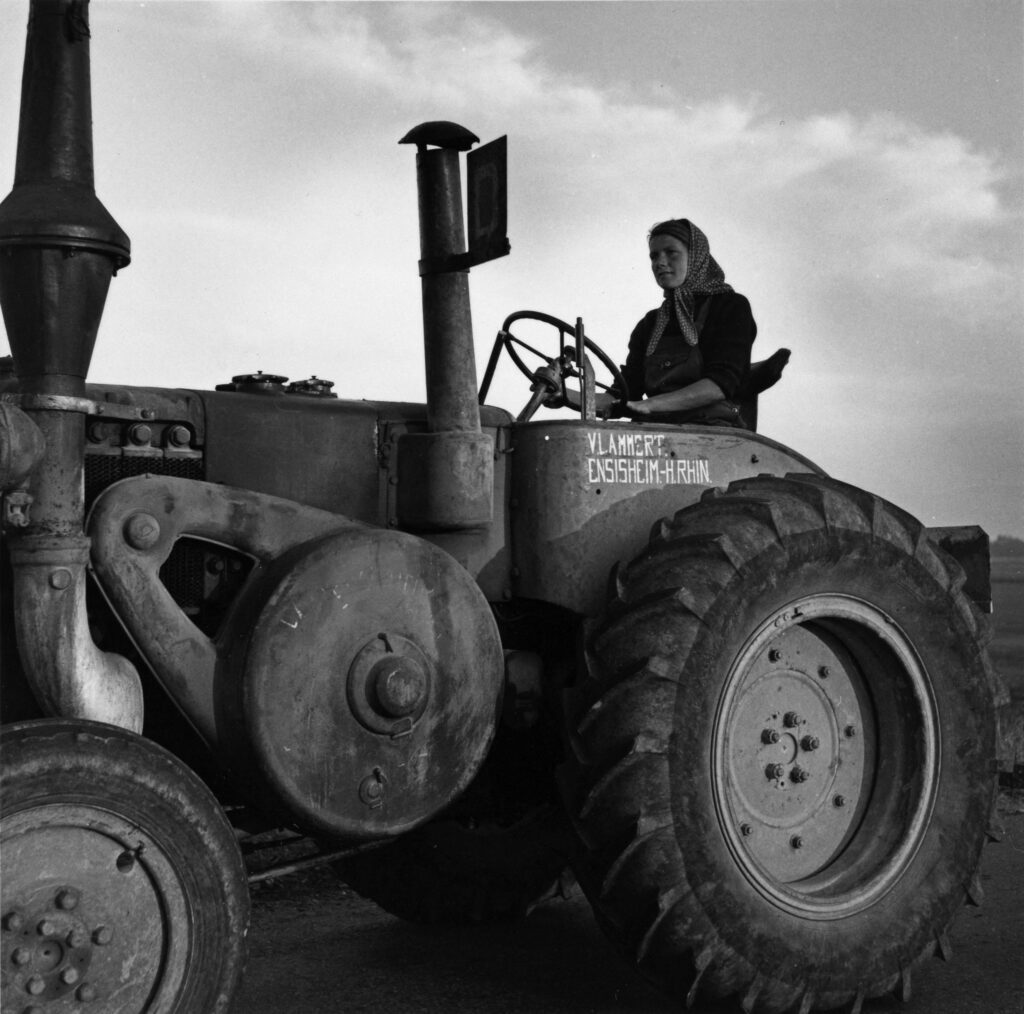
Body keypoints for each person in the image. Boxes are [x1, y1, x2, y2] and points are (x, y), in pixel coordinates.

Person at [612, 218, 756, 426]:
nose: (659, 262)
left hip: (714, 433)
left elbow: (720, 384)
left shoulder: (730, 306)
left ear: (696, 257)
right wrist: (562, 392)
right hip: (656, 434)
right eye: (654, 256)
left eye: (671, 252)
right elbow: (623, 394)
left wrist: (649, 405)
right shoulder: (650, 324)